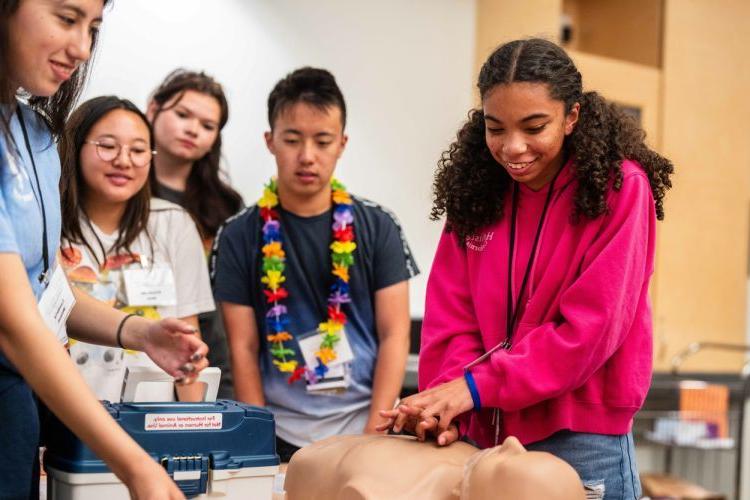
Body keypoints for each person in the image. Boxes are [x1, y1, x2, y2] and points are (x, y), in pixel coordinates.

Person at [379, 38, 674, 499]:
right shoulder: (477, 193)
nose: (512, 147)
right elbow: (451, 317)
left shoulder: (620, 189)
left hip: (581, 438)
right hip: (482, 429)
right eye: (496, 128)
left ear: (572, 116)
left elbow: (588, 331)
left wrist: (473, 388)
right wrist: (448, 403)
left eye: (534, 126)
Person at [0, 1, 207, 498]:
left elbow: (45, 292)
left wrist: (140, 332)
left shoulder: (35, 136)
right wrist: (136, 467)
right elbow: (14, 321)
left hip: (15, 413)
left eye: (92, 28)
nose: (82, 48)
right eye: (67, 19)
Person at [212, 67, 418, 462]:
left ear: (341, 144)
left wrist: (374, 435)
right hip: (278, 431)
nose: (307, 156)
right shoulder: (238, 235)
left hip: (364, 426)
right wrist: (259, 441)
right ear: (270, 141)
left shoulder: (378, 225)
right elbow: (244, 345)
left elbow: (395, 335)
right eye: (292, 139)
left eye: (322, 141)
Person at [59, 96, 215, 403]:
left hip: (154, 424)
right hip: (63, 420)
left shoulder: (174, 224)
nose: (124, 160)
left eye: (139, 150)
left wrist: (195, 428)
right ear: (76, 147)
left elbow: (189, 345)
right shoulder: (47, 224)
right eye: (107, 145)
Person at [148, 69, 243, 398]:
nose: (193, 130)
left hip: (213, 348)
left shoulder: (226, 207)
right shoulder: (121, 189)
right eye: (183, 115)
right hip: (140, 346)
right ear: (152, 109)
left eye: (207, 126)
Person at [283, 434, 586, 500]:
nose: (512, 442)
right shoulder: (469, 457)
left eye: (510, 462)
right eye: (525, 451)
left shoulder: (392, 493)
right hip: (311, 462)